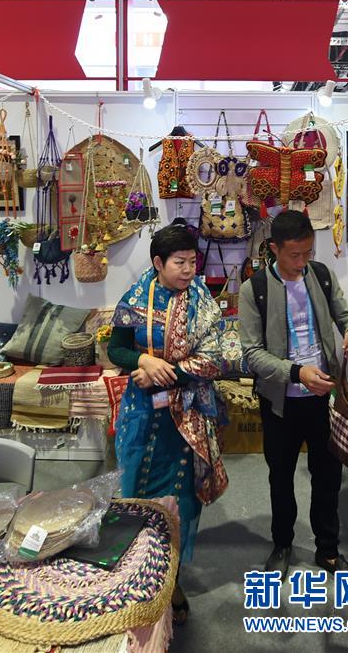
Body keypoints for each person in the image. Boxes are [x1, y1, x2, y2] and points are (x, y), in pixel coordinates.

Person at [108, 224, 245, 623]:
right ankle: (138, 576)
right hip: (141, 413)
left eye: (192, 262)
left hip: (187, 413)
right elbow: (116, 347)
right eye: (180, 262)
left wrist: (164, 373)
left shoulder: (202, 300)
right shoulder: (136, 297)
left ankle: (173, 580)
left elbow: (216, 358)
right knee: (136, 491)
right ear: (158, 262)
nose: (188, 270)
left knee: (181, 500)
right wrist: (142, 361)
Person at [238, 210, 348, 578]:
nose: (302, 262)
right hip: (281, 402)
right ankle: (282, 544)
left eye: (308, 252)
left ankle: (328, 550)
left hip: (324, 399)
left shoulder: (320, 275)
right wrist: (297, 373)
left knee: (327, 477)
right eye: (294, 254)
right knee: (281, 478)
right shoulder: (254, 290)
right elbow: (252, 353)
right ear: (274, 248)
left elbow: (344, 314)